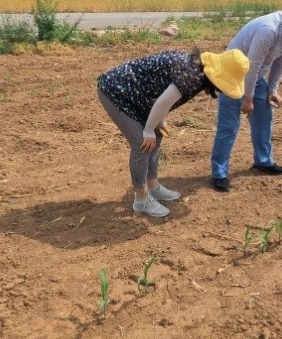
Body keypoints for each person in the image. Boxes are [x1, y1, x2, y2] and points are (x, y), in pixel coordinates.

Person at [98, 47, 249, 217]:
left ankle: (153, 187)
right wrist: (148, 130)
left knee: (157, 135)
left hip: (138, 95)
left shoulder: (198, 67)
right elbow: (163, 102)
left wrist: (158, 121)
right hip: (116, 91)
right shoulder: (192, 74)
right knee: (142, 143)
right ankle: (141, 200)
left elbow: (160, 91)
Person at [210, 0, 282, 192]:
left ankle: (263, 161)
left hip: (253, 74)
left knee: (264, 117)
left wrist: (272, 90)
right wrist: (248, 99)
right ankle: (219, 172)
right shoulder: (269, 30)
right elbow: (251, 66)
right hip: (231, 73)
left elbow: (281, 60)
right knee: (229, 126)